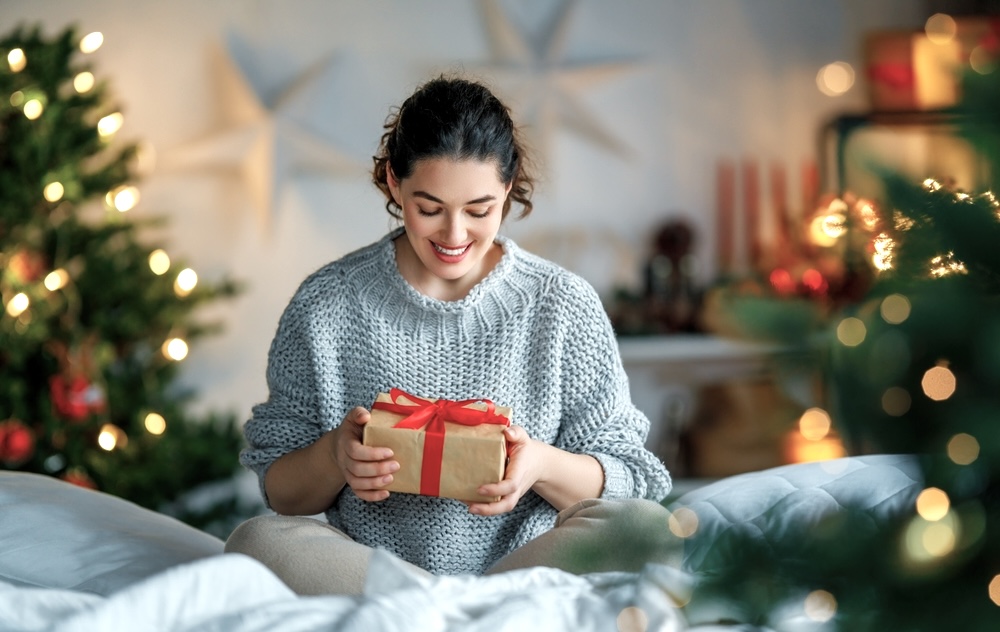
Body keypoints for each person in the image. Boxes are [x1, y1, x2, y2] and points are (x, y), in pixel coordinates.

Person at [225, 74, 673, 595]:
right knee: (254, 543)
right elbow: (281, 491)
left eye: (479, 210)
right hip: (377, 574)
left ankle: (441, 616)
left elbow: (630, 478)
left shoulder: (561, 303)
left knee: (650, 531)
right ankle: (456, 617)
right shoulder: (327, 303)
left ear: (508, 188)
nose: (455, 236)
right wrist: (334, 457)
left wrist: (541, 466)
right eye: (430, 208)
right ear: (394, 182)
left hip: (522, 574)